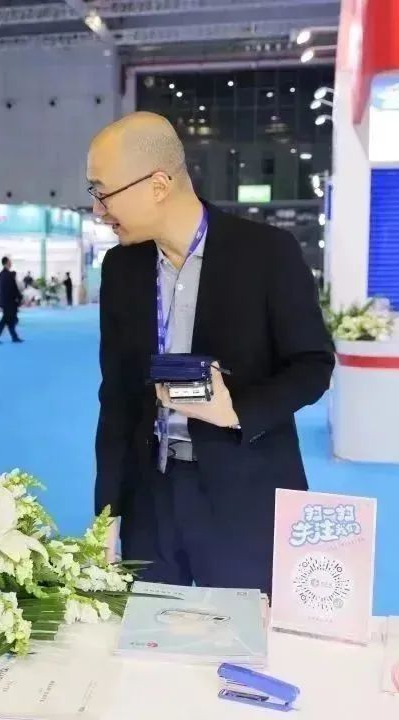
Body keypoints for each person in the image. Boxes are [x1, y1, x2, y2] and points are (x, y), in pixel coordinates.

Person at [89, 112, 334, 591]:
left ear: (158, 185)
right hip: (151, 497)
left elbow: (313, 365)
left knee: (244, 633)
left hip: (244, 495)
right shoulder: (120, 268)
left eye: (103, 192)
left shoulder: (267, 253)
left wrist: (235, 410)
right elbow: (115, 395)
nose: (98, 210)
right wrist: (107, 512)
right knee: (149, 630)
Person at [0, 256, 23, 344]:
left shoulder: (0, 275)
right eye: (9, 262)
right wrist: (19, 297)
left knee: (9, 319)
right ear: (6, 263)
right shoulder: (9, 275)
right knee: (6, 319)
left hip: (4, 300)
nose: (11, 263)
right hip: (10, 301)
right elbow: (14, 288)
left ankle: (14, 337)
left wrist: (0, 299)